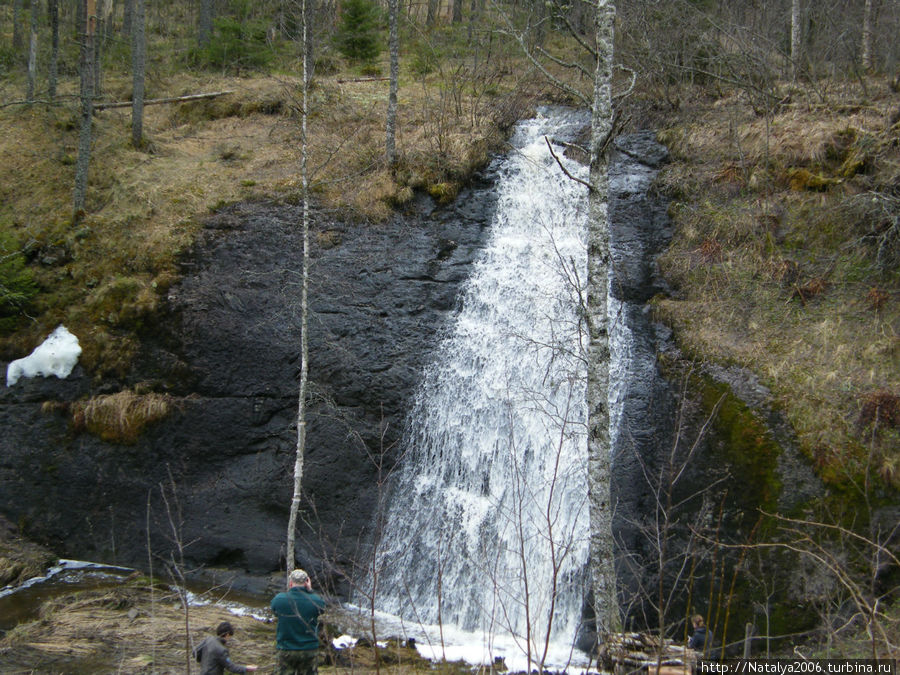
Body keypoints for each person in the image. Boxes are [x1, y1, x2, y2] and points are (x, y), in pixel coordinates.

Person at [271, 568, 327, 675]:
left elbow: (274, 610)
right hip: (309, 648)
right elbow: (322, 608)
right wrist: (310, 591)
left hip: (286, 648)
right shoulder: (315, 601)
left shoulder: (279, 599)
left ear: (290, 582)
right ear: (307, 582)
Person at [194, 621, 258, 675]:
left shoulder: (208, 639)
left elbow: (194, 652)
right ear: (227, 634)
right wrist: (246, 668)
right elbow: (231, 667)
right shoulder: (222, 650)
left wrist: (204, 661)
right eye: (230, 636)